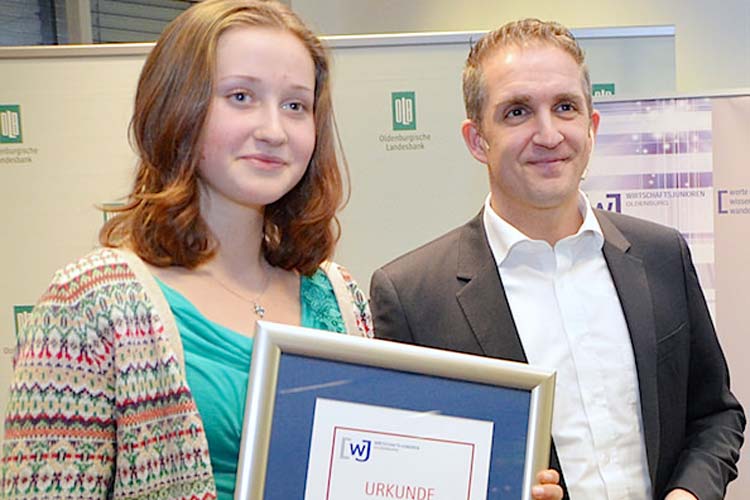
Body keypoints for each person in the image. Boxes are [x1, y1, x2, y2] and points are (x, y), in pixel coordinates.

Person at [1, 1, 374, 498]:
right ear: (177, 108)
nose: (273, 130)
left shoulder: (341, 297)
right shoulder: (89, 302)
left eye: (295, 105)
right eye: (241, 96)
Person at [370, 18, 745, 500]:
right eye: (517, 112)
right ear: (477, 140)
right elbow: (405, 471)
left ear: (591, 127)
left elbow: (714, 414)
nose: (548, 134)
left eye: (565, 107)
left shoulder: (661, 255)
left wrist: (690, 494)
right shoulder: (414, 298)